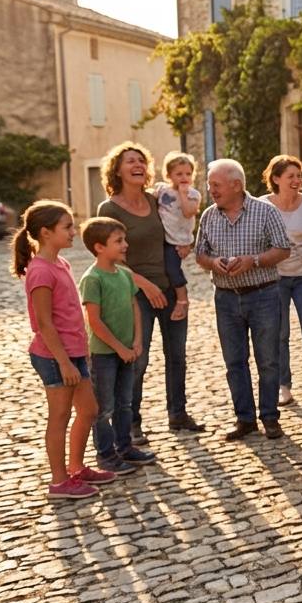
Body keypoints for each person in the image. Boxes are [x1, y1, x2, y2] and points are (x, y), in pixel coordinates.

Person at [98, 143, 202, 441]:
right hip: (134, 294)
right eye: (130, 160)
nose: (137, 164)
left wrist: (187, 245)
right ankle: (131, 422)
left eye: (141, 159)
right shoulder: (109, 208)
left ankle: (178, 414)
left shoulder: (157, 200)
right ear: (117, 170)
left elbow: (178, 227)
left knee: (177, 355)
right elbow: (108, 259)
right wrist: (144, 285)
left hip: (170, 289)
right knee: (137, 359)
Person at [11, 201, 115, 500]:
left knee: (89, 410)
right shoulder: (40, 271)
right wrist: (65, 363)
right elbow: (44, 324)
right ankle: (59, 482)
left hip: (74, 353)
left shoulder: (62, 264)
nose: (73, 231)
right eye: (67, 227)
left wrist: (80, 353)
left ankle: (76, 468)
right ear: (45, 233)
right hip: (55, 356)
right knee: (59, 416)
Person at [195, 159, 292, 441]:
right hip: (225, 299)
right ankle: (245, 419)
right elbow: (200, 254)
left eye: (216, 185)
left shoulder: (265, 211)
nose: (211, 190)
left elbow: (283, 249)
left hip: (263, 295)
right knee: (234, 362)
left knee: (268, 361)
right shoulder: (209, 216)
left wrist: (255, 261)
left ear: (236, 185)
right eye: (210, 185)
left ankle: (270, 418)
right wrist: (213, 263)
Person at [79, 217, 157, 474]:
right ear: (99, 247)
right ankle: (105, 454)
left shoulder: (124, 273)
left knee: (125, 403)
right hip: (104, 355)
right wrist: (119, 348)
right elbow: (94, 320)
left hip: (127, 351)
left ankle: (125, 447)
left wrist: (136, 340)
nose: (125, 245)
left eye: (124, 239)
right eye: (118, 241)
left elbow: (134, 306)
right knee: (104, 408)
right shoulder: (93, 278)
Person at [262, 155, 302, 407]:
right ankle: (283, 386)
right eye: (291, 176)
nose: (297, 180)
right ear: (276, 179)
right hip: (274, 276)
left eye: (299, 175)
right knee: (279, 333)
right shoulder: (263, 205)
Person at [151, 152, 201, 322]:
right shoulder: (162, 189)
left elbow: (188, 213)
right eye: (179, 174)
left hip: (178, 240)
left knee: (172, 268)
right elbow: (148, 197)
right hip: (161, 237)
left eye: (188, 174)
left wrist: (183, 193)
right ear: (169, 175)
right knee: (161, 266)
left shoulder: (193, 194)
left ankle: (182, 296)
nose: (184, 177)